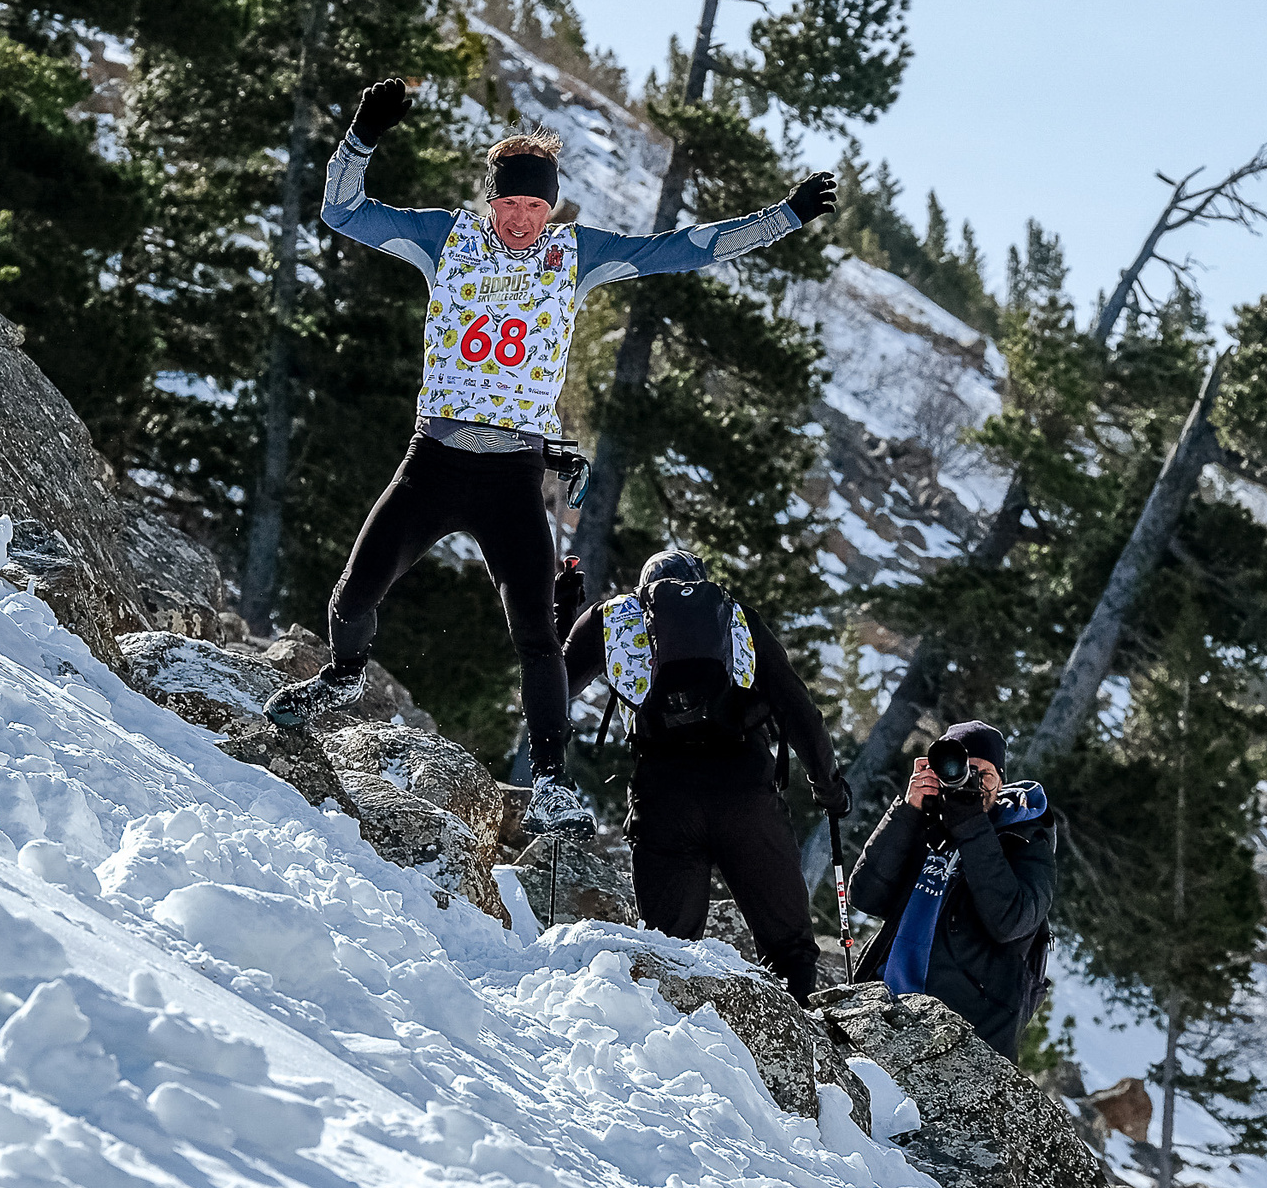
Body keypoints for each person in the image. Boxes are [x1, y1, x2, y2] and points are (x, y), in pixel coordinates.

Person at [262, 77, 837, 838]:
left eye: (535, 207)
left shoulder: (575, 254)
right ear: (489, 200)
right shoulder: (447, 238)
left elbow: (679, 251)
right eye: (509, 205)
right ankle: (341, 675)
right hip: (432, 460)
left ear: (552, 207)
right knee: (354, 595)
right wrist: (362, 133)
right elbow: (341, 210)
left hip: (511, 479)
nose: (521, 220)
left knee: (538, 636)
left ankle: (555, 781)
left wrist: (784, 218)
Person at [562, 549, 847, 1001]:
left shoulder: (613, 619)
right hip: (745, 793)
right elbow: (799, 710)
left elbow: (550, 684)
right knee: (789, 949)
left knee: (669, 950)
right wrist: (828, 787)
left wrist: (563, 623)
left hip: (663, 799)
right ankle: (793, 1057)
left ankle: (674, 1046)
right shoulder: (736, 619)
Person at [849, 720, 1055, 1060]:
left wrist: (971, 825)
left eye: (984, 774)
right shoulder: (924, 823)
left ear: (1001, 783)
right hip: (881, 1007)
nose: (972, 782)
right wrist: (906, 811)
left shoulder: (1028, 842)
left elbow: (1010, 920)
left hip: (961, 1038)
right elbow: (864, 895)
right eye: (963, 769)